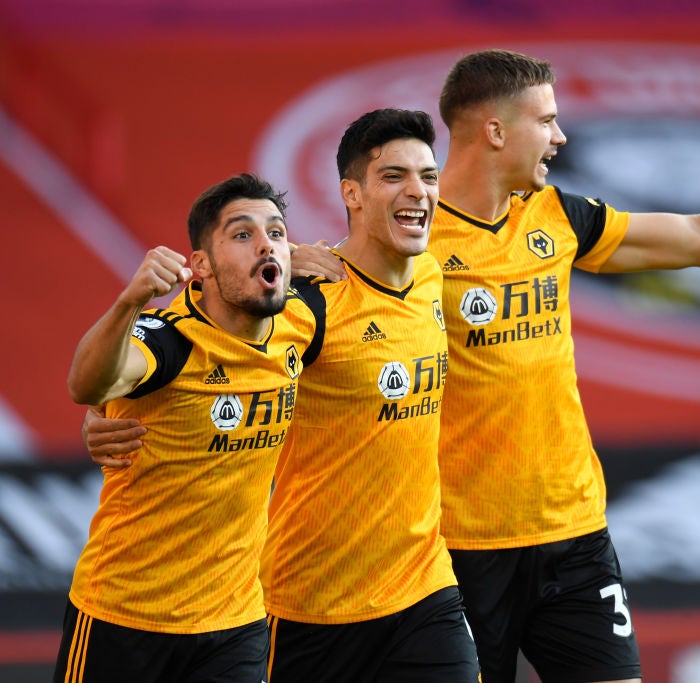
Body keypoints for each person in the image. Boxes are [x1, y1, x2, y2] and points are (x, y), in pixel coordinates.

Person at [87, 51, 700, 683]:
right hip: (456, 546)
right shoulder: (378, 260)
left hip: (571, 532)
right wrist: (117, 407)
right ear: (497, 131)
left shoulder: (557, 217)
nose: (562, 136)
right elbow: (229, 332)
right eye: (547, 120)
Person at [86, 109, 481, 683]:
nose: (418, 191)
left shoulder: (432, 277)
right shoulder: (306, 303)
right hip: (309, 602)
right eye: (394, 176)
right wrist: (103, 410)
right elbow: (191, 344)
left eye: (428, 175)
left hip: (425, 588)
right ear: (353, 193)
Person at [54, 173, 308, 683]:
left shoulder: (302, 324)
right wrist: (129, 302)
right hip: (123, 617)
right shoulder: (169, 341)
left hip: (234, 623)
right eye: (242, 234)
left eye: (276, 233)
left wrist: (336, 257)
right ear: (201, 267)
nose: (265, 244)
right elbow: (86, 383)